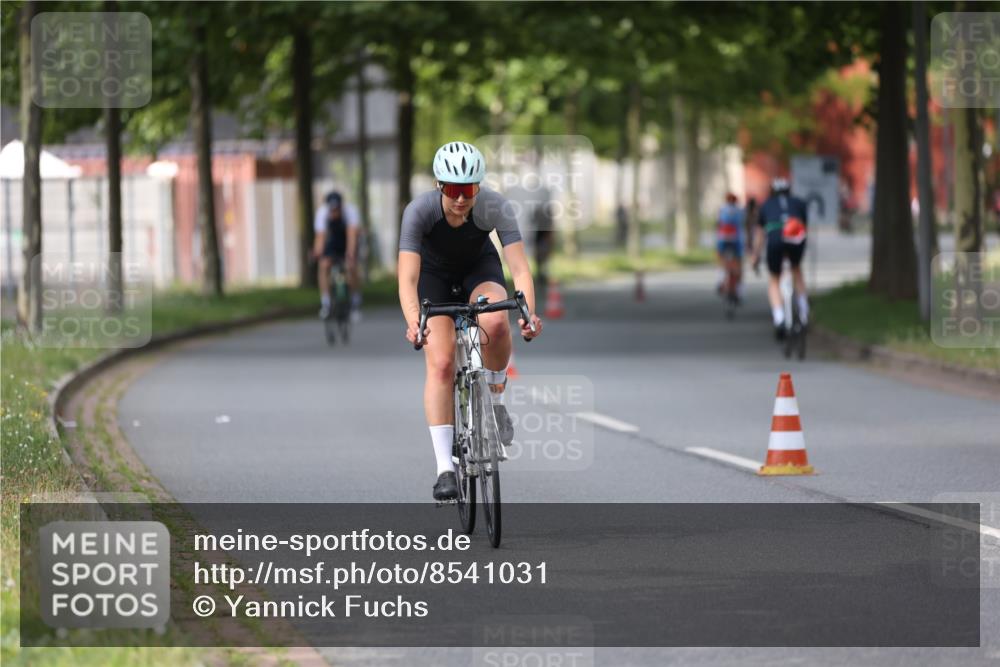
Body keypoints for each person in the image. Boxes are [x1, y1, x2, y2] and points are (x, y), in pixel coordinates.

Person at [398, 141, 543, 501]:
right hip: (434, 277)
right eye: (453, 189)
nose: (461, 198)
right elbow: (407, 279)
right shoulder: (419, 212)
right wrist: (415, 321)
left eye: (469, 189)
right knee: (443, 362)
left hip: (479, 270)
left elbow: (520, 269)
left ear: (479, 187)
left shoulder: (495, 206)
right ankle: (445, 469)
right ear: (439, 186)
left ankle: (495, 404)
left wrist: (529, 314)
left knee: (496, 321)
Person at [751, 177, 809, 340]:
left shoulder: (765, 205)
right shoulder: (799, 202)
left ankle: (779, 319)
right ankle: (804, 313)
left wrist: (755, 256)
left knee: (774, 279)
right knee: (796, 271)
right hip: (795, 236)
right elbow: (805, 226)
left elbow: (760, 234)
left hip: (775, 238)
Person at [313, 192, 361, 321]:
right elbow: (320, 238)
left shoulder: (350, 212)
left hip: (346, 240)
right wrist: (318, 253)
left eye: (337, 209)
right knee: (323, 266)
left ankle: (354, 302)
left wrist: (350, 254)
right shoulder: (322, 214)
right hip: (332, 242)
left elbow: (351, 236)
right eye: (332, 210)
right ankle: (326, 302)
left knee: (351, 267)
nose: (335, 213)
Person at [715, 193, 745, 300]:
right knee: (739, 263)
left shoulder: (721, 210)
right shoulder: (740, 210)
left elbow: (717, 224)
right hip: (737, 240)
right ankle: (740, 290)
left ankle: (720, 279)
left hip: (723, 239)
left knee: (721, 259)